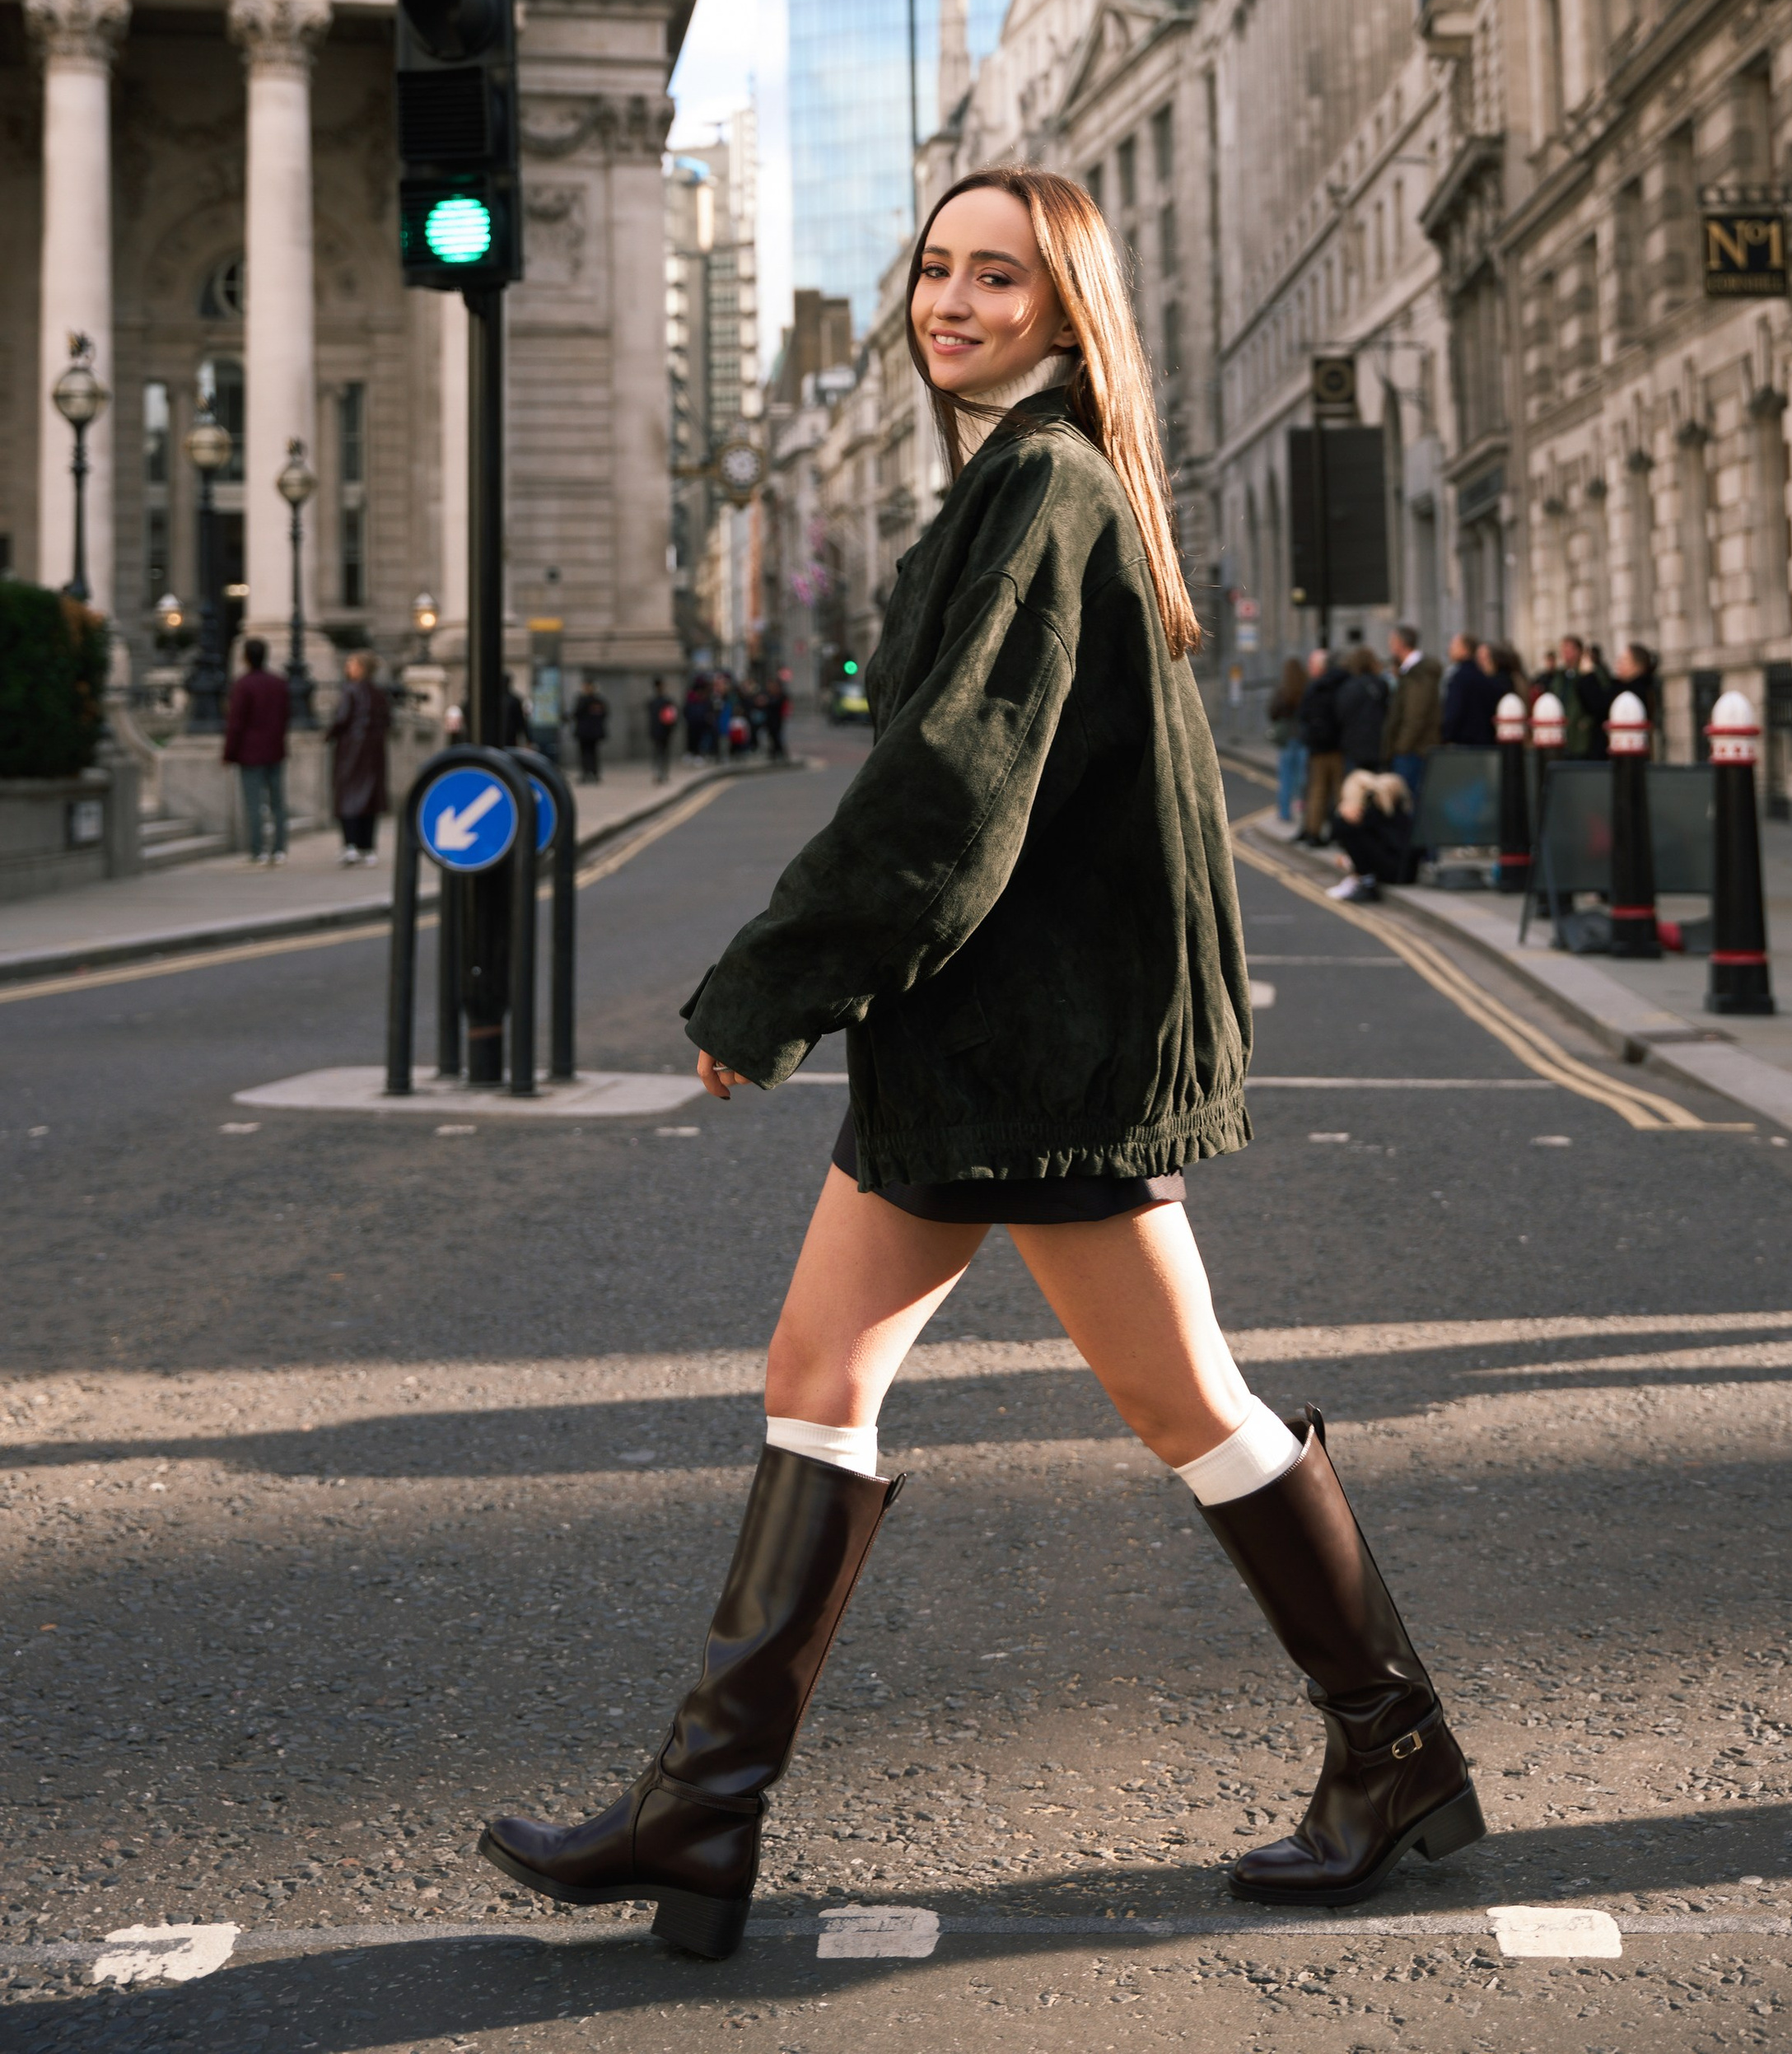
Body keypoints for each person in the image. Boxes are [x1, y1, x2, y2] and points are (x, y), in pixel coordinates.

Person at [478, 163, 1482, 1958]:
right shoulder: (1027, 479)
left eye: (994, 280)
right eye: (933, 271)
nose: (949, 304)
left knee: (1186, 1406)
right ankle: (701, 1819)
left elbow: (949, 782)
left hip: (1034, 1048)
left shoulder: (1039, 483)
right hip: (986, 1041)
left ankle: (1390, 1750)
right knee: (821, 1373)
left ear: (1060, 309)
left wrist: (769, 991)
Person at [221, 635, 291, 869]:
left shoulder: (243, 685)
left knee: (254, 804)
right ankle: (279, 848)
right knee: (278, 803)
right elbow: (286, 716)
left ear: (246, 658)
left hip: (250, 753)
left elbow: (236, 723)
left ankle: (258, 849)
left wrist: (229, 753)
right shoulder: (279, 683)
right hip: (274, 749)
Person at [329, 652, 390, 865]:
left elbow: (342, 718)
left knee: (349, 796)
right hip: (374, 751)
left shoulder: (350, 690)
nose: (348, 667)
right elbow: (388, 720)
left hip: (351, 751)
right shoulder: (379, 692)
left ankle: (351, 845)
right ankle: (368, 846)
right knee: (370, 798)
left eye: (351, 663)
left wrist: (330, 735)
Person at [1327, 768, 1416, 903]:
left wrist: (1341, 814)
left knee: (1352, 833)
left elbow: (1339, 832)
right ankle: (1364, 881)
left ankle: (1367, 883)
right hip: (1405, 871)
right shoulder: (1401, 813)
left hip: (1395, 872)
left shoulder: (1382, 813)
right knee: (1354, 833)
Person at [1381, 624, 1439, 806]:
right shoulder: (1410, 672)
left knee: (1409, 802)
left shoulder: (1418, 674)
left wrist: (1401, 747)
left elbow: (1415, 716)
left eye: (1392, 641)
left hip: (1413, 750)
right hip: (1412, 749)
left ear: (1400, 644)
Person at [1298, 646, 1346, 843]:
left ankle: (1313, 832)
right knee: (1340, 792)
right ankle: (1341, 834)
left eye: (1311, 664)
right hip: (1339, 747)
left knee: (1317, 792)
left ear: (1321, 667)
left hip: (1319, 749)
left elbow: (1303, 714)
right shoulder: (1342, 684)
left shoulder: (1315, 688)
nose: (1309, 668)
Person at [1267, 655, 1311, 828]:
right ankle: (1304, 809)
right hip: (1303, 737)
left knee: (1286, 778)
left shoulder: (1282, 690)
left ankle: (1285, 812)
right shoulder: (1307, 688)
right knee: (1304, 777)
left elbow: (1272, 711)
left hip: (1287, 739)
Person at [1334, 642, 1388, 775]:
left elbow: (1340, 715)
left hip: (1354, 748)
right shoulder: (1381, 685)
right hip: (1378, 746)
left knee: (1356, 789)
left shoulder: (1347, 688)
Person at [1440, 631, 1499, 749]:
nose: (1450, 649)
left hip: (1463, 743)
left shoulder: (1459, 677)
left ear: (1465, 650)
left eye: (1454, 646)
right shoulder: (1482, 674)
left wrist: (1446, 735)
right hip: (1485, 741)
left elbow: (1454, 710)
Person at [572, 678, 609, 784]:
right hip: (592, 732)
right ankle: (591, 773)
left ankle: (589, 773)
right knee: (590, 753)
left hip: (585, 732)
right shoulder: (598, 701)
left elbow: (576, 713)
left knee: (588, 753)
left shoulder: (583, 700)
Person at [646, 675, 678, 784]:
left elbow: (673, 717)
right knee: (658, 752)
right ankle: (658, 773)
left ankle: (663, 773)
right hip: (658, 731)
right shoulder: (653, 702)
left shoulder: (666, 701)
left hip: (664, 731)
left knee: (663, 752)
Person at [683, 675, 715, 760]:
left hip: (702, 723)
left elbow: (710, 711)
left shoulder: (706, 700)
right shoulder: (691, 699)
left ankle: (700, 754)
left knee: (701, 740)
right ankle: (692, 753)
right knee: (692, 739)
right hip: (693, 722)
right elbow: (686, 710)